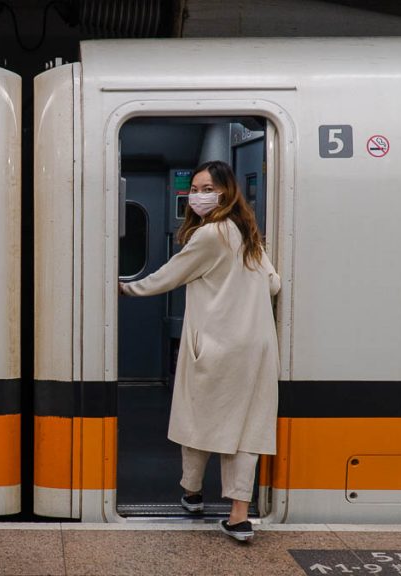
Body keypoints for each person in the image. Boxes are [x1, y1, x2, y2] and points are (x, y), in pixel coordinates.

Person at [119, 160, 279, 543]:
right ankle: (239, 516)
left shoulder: (211, 235)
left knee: (197, 416)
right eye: (194, 188)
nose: (197, 195)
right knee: (247, 428)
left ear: (224, 191)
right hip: (256, 345)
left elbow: (169, 276)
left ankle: (192, 492)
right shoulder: (249, 233)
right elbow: (273, 284)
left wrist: (125, 288)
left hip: (217, 342)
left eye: (206, 188)